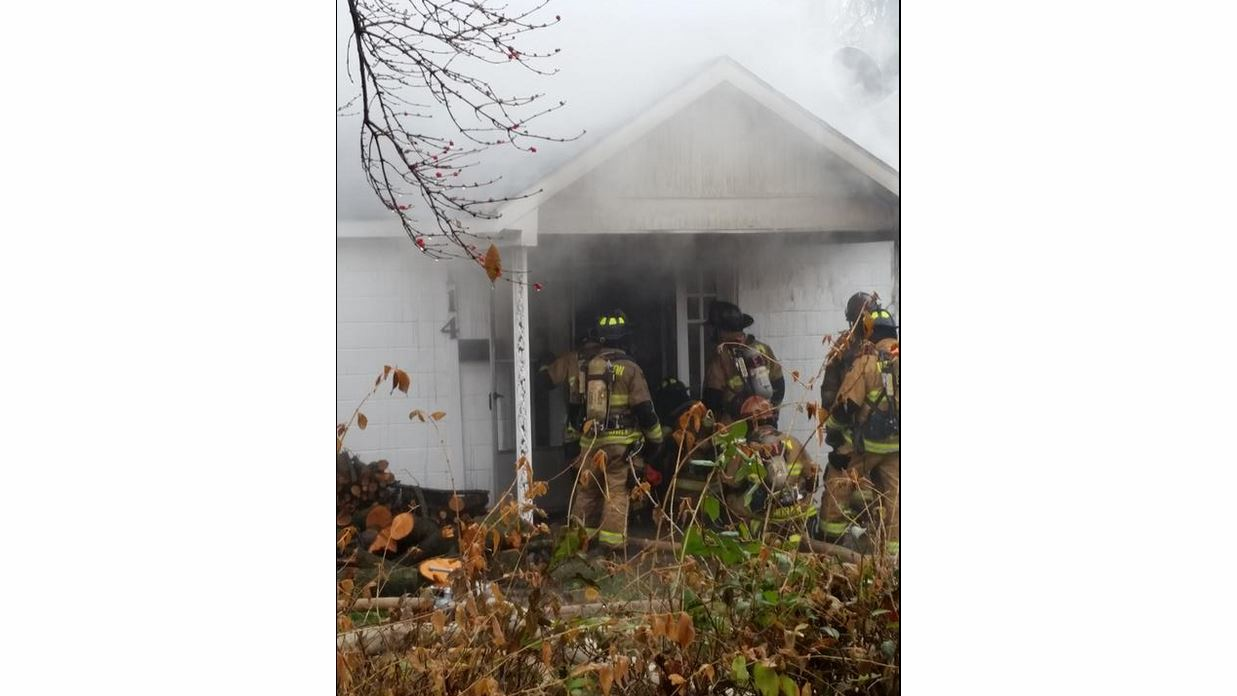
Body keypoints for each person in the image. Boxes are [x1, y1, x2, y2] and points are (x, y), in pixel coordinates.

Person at [570, 309, 664, 552]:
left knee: (587, 491)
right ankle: (611, 549)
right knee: (616, 493)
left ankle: (579, 543)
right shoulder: (631, 369)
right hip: (620, 446)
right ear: (625, 339)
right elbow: (645, 409)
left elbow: (574, 409)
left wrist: (575, 440)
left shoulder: (587, 367)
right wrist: (656, 442)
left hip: (590, 443)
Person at [819, 306, 900, 555]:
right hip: (897, 448)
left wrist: (832, 433)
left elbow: (846, 406)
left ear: (870, 333)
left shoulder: (867, 361)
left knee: (838, 481)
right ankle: (891, 558)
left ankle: (830, 547)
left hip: (865, 447)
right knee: (894, 501)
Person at [719, 395, 818, 525]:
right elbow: (814, 480)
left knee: (730, 499)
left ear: (748, 423)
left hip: (765, 516)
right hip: (798, 512)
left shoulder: (743, 449)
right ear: (773, 418)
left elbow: (731, 483)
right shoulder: (793, 441)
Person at [702, 301, 785, 426]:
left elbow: (712, 400)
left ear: (720, 330)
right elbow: (779, 385)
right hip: (766, 423)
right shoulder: (763, 349)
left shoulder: (719, 358)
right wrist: (770, 412)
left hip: (734, 430)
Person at [536, 328, 603, 463]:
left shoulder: (570, 359)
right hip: (605, 430)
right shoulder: (612, 358)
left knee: (579, 475)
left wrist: (545, 363)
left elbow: (544, 381)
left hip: (576, 428)